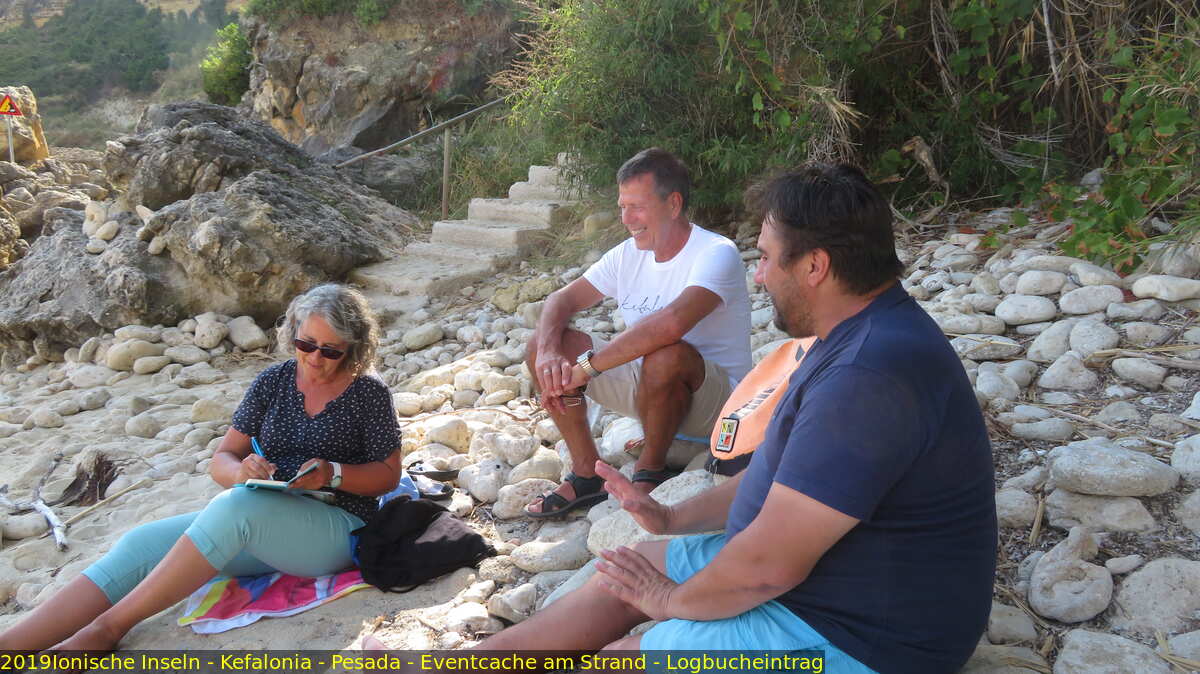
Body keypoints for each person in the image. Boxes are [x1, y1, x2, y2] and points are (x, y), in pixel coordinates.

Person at [481, 164, 997, 673]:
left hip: (863, 635)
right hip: (819, 572)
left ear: (815, 266)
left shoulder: (866, 376)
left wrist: (670, 602)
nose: (759, 274)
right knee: (623, 576)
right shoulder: (849, 334)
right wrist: (672, 519)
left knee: (622, 660)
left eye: (767, 258)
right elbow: (786, 478)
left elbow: (768, 568)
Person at [0, 284, 403, 652]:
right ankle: (12, 644)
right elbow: (222, 458)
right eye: (306, 344)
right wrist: (241, 472)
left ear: (352, 348)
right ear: (293, 334)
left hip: (339, 528)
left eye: (331, 351)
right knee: (142, 543)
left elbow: (388, 476)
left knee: (235, 508)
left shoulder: (368, 392)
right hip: (267, 520)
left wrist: (333, 472)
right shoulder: (274, 381)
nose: (315, 358)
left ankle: (106, 629)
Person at [526, 148, 752, 517]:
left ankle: (650, 471)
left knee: (667, 352)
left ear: (673, 204)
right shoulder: (627, 254)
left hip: (718, 403)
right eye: (622, 207)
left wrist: (587, 369)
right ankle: (586, 474)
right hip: (652, 390)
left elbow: (672, 323)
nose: (627, 219)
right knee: (542, 343)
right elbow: (561, 300)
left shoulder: (715, 252)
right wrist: (549, 353)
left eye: (637, 207)